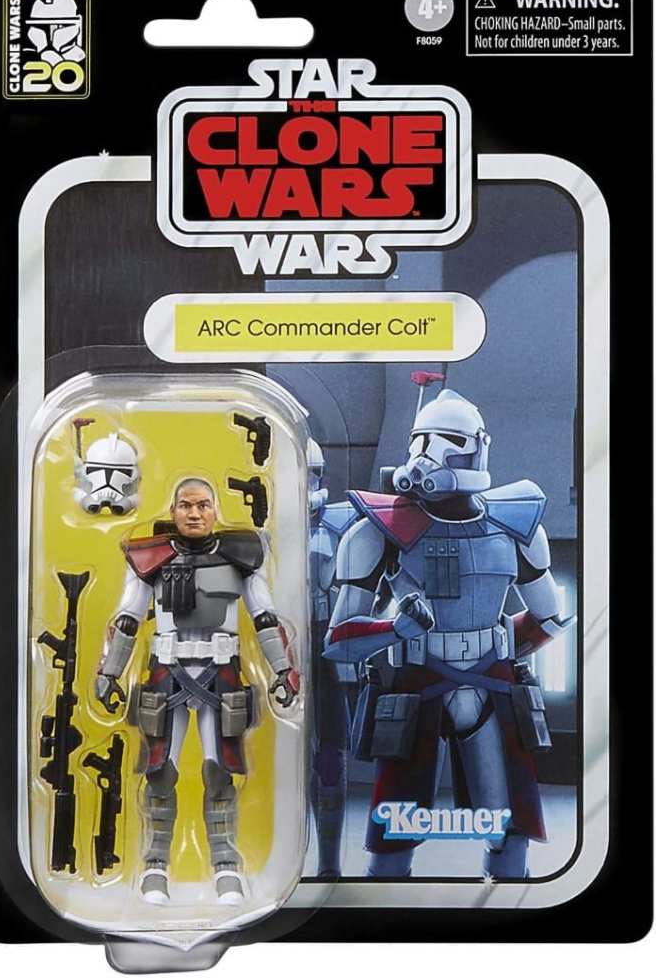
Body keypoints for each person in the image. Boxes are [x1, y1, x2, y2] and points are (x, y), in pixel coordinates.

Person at [325, 387, 574, 879]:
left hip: (492, 681)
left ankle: (507, 893)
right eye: (422, 442)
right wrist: (395, 629)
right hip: (417, 682)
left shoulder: (515, 523)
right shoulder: (378, 530)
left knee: (509, 826)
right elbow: (340, 640)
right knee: (396, 823)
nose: (428, 456)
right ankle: (389, 900)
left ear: (475, 448)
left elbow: (549, 617)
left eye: (443, 443)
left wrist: (502, 645)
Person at [95, 478, 297, 904]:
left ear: (215, 509)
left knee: (219, 771)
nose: (194, 513)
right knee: (160, 772)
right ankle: (155, 866)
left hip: (220, 675)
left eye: (203, 505)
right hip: (165, 675)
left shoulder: (241, 556)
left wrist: (283, 670)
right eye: (186, 505)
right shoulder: (150, 558)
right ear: (173, 510)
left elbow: (265, 617)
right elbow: (127, 619)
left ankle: (226, 866)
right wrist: (110, 673)